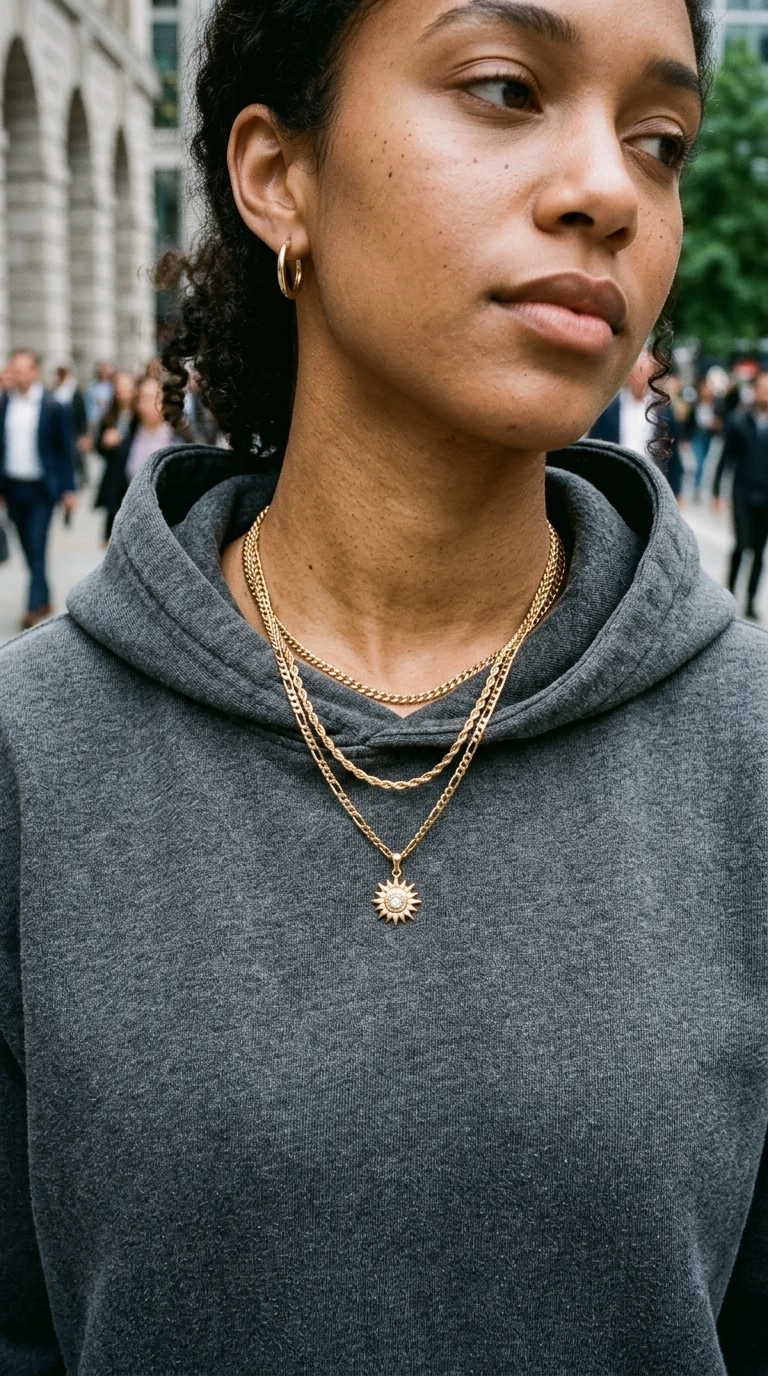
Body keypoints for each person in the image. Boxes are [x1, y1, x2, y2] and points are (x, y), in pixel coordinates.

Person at [1, 3, 765, 1374]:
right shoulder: (30, 759)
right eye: (501, 86)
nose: (606, 190)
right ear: (276, 175)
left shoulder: (750, 754)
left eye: (661, 140)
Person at [0, 349, 76, 628]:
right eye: (13, 368)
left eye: (23, 369)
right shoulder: (4, 404)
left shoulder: (52, 406)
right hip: (13, 487)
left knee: (36, 543)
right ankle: (43, 596)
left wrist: (69, 490)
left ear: (34, 372)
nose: (18, 374)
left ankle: (32, 608)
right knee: (27, 547)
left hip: (42, 489)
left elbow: (65, 451)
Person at [95, 373, 182, 541]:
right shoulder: (128, 439)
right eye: (143, 398)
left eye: (154, 397)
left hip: (168, 527)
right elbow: (116, 484)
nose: (149, 404)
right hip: (131, 526)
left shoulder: (178, 440)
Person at [713, 368, 768, 619]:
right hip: (742, 493)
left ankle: (750, 602)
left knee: (758, 550)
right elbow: (726, 459)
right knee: (742, 544)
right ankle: (731, 594)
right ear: (754, 391)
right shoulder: (739, 421)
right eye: (762, 388)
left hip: (766, 497)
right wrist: (716, 491)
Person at [589, 348, 683, 494]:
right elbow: (595, 445)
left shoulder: (663, 410)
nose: (639, 378)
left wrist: (675, 490)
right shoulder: (609, 408)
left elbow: (673, 452)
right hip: (614, 480)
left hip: (650, 481)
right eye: (636, 373)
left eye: (644, 373)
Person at [94, 370, 137, 540]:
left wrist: (123, 441)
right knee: (112, 534)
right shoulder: (110, 416)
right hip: (114, 480)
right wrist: (105, 443)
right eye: (119, 387)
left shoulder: (139, 416)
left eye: (127, 387)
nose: (123, 391)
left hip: (133, 478)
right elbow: (99, 448)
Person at [53, 364, 90, 486]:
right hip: (60, 431)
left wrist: (83, 434)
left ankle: (80, 478)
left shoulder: (75, 392)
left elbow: (82, 413)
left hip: (74, 430)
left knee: (76, 457)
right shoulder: (55, 391)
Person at [84, 360, 115, 433]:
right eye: (102, 369)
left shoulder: (113, 386)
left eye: (106, 369)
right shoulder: (92, 386)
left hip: (108, 421)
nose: (103, 372)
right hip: (92, 420)